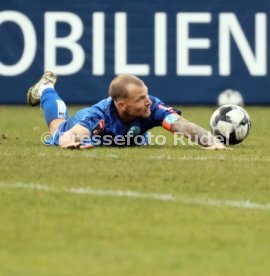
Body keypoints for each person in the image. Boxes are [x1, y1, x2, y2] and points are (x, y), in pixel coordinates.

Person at [27, 71, 228, 150]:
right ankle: (46, 87)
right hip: (80, 121)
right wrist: (70, 142)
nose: (148, 101)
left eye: (147, 95)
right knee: (56, 128)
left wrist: (212, 141)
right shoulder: (99, 116)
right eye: (141, 99)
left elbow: (181, 125)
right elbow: (75, 133)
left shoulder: (153, 106)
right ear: (122, 105)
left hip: (127, 137)